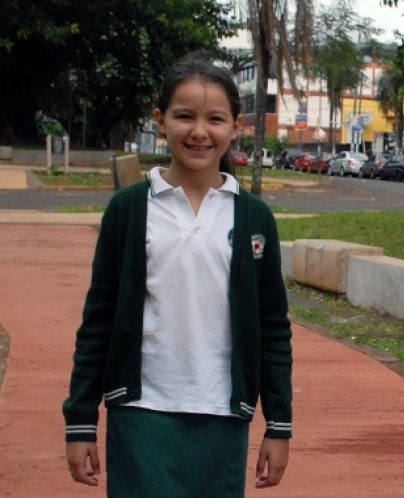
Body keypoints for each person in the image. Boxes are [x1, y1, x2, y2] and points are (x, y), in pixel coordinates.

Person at [63, 56, 292, 497]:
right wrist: (80, 421)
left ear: (235, 127)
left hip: (224, 415)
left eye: (215, 119)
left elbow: (272, 328)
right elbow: (98, 321)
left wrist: (278, 425)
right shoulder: (128, 210)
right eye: (184, 116)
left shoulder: (254, 218)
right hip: (140, 412)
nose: (199, 132)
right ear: (160, 120)